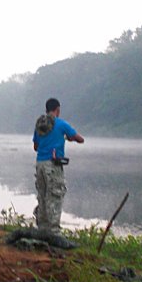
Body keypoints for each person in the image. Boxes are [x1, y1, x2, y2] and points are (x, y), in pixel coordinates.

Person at [32, 98, 84, 234]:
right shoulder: (61, 124)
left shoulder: (39, 125)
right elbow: (80, 139)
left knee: (42, 196)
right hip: (53, 165)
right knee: (55, 196)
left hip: (40, 164)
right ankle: (54, 232)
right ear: (58, 109)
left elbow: (36, 147)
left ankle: (42, 229)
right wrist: (68, 137)